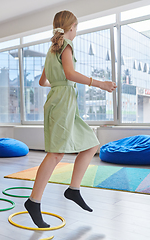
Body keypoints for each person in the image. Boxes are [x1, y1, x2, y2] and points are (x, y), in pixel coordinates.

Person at [24, 10, 117, 228]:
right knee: (56, 154)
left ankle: (73, 189)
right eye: (76, 28)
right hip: (62, 104)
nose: (76, 31)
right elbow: (70, 74)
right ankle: (33, 201)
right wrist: (100, 83)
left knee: (91, 144)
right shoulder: (66, 44)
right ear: (72, 27)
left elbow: (41, 81)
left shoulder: (52, 48)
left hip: (63, 102)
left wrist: (57, 87)